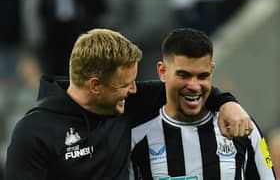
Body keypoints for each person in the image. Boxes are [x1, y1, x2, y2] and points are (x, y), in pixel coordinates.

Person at [5, 29, 252, 180]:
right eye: (126, 84)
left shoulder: (124, 102)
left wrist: (227, 103)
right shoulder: (34, 132)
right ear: (94, 85)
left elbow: (184, 89)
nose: (134, 90)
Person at [130, 28, 275, 179]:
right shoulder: (137, 136)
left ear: (211, 70)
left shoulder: (242, 127)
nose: (194, 86)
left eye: (202, 76)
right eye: (183, 75)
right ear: (162, 71)